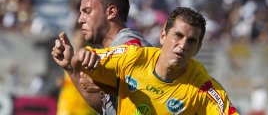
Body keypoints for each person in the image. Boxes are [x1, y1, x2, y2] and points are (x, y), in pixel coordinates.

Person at [52, 7, 239, 114]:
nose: (182, 46)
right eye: (178, 36)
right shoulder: (134, 57)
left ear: (198, 48)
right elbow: (91, 56)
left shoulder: (203, 88)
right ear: (163, 36)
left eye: (191, 41)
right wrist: (76, 59)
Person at [56, 0, 151, 115]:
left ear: (111, 12)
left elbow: (151, 92)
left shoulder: (130, 43)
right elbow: (106, 108)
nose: (80, 20)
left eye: (87, 12)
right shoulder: (114, 49)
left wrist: (104, 84)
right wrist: (71, 69)